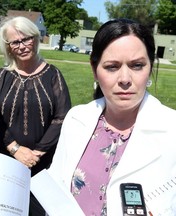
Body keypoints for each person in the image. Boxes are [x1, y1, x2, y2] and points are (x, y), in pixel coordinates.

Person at [43, 19, 176, 215]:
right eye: (112, 67)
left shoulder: (171, 129)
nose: (124, 79)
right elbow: (55, 190)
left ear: (150, 67)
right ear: (94, 69)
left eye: (137, 65)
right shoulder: (76, 119)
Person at [0, 16, 71, 215]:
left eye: (27, 39)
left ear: (36, 39)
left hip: (45, 166)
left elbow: (63, 116)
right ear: (8, 47)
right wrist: (15, 149)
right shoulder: (2, 76)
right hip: (8, 162)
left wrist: (37, 153)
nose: (23, 46)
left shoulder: (53, 74)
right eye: (15, 42)